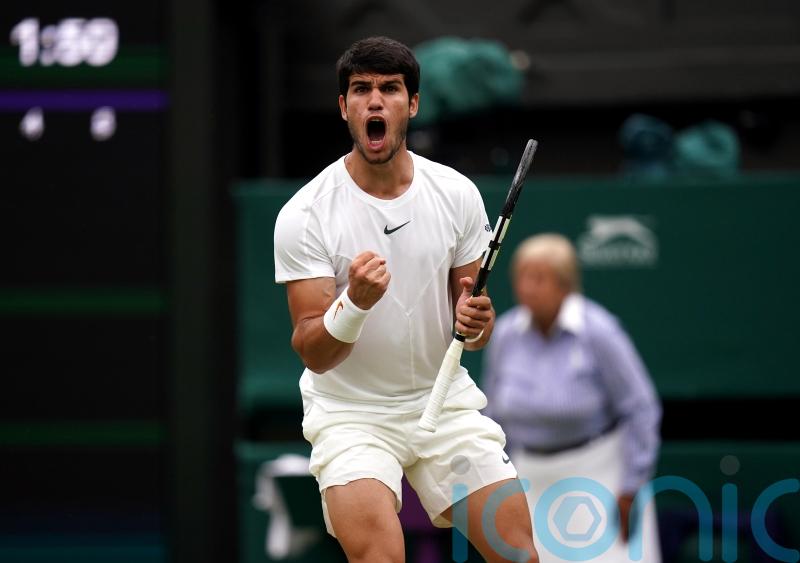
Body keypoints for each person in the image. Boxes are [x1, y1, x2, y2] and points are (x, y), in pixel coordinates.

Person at [273, 36, 539, 563]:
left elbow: (476, 329)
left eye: (390, 89)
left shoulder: (457, 194)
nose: (375, 101)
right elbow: (312, 350)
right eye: (361, 89)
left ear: (411, 105)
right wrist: (354, 304)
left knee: (519, 554)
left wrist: (477, 320)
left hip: (443, 401)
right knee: (380, 556)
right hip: (349, 414)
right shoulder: (304, 215)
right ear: (344, 107)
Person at [483, 234, 662, 562]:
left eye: (539, 278)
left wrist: (631, 486)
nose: (527, 287)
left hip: (601, 478)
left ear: (565, 284)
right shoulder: (506, 334)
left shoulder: (600, 331)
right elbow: (494, 413)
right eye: (521, 277)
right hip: (530, 479)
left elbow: (640, 407)